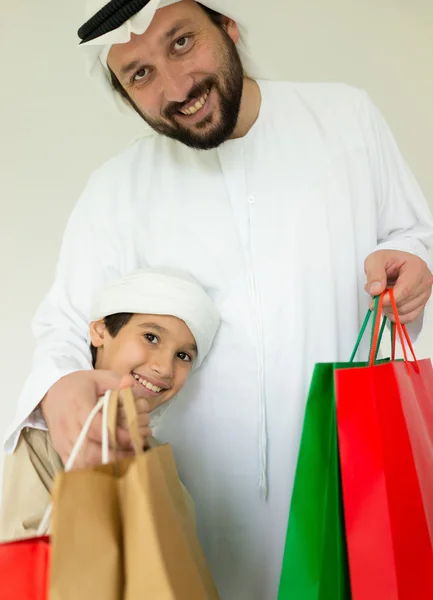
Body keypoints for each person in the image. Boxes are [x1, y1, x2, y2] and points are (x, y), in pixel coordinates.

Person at [3, 1, 433, 598]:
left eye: (181, 43)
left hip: (348, 480)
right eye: (140, 74)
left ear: (229, 29)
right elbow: (66, 327)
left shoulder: (345, 119)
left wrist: (414, 265)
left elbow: (410, 234)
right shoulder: (115, 190)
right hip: (188, 505)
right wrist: (59, 389)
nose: (176, 87)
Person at [0, 268, 220, 541]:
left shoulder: (156, 457)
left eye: (183, 355)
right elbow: (27, 558)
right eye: (151, 337)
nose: (164, 368)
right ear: (100, 332)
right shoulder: (46, 431)